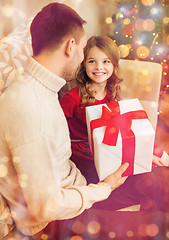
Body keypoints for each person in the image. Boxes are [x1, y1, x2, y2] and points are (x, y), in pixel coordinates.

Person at [0, 3, 129, 240]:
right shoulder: (30, 107)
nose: (82, 58)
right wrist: (103, 189)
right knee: (160, 221)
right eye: (82, 49)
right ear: (70, 47)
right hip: (58, 220)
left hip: (78, 190)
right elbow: (45, 208)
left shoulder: (44, 89)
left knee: (157, 182)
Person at [59, 35, 169, 211]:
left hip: (113, 158)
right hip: (90, 170)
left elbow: (122, 134)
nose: (99, 67)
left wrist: (147, 153)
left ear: (113, 65)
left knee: (159, 176)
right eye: (92, 61)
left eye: (106, 61)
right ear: (84, 64)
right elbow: (55, 133)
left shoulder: (113, 94)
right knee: (155, 182)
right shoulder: (72, 98)